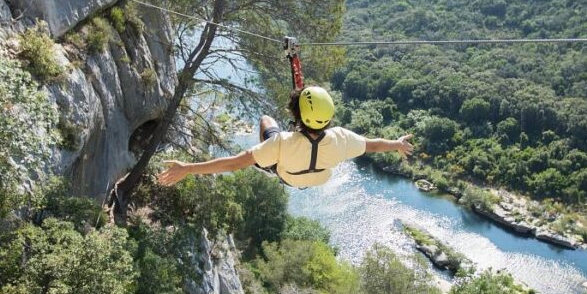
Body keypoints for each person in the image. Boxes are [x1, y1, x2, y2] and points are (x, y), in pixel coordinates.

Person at [157, 86, 414, 188]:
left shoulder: (282, 143)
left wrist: (188, 168)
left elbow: (234, 163)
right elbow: (372, 145)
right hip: (315, 178)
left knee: (267, 120)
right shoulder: (340, 138)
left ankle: (267, 162)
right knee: (278, 141)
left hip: (286, 174)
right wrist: (397, 144)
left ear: (297, 116)